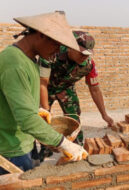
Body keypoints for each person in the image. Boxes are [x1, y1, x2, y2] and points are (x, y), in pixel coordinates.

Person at [0, 11, 88, 174]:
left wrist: (36, 109)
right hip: (10, 150)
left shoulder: (30, 59)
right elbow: (26, 120)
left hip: (23, 141)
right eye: (56, 45)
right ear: (41, 34)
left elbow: (16, 100)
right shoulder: (14, 63)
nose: (57, 51)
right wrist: (64, 143)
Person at [37, 31, 114, 161]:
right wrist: (45, 109)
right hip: (43, 87)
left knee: (75, 117)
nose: (84, 57)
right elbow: (41, 84)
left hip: (65, 89)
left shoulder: (89, 65)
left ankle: (77, 147)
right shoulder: (51, 53)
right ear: (70, 46)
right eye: (81, 53)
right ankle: (45, 149)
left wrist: (104, 115)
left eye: (88, 54)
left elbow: (95, 89)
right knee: (41, 119)